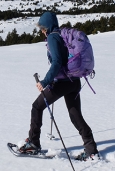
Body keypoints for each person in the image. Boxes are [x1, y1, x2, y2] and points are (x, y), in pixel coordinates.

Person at [19, 11, 99, 161]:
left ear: (47, 26)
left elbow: (57, 62)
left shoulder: (52, 37)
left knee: (37, 106)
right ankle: (91, 149)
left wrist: (45, 81)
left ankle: (33, 143)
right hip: (74, 80)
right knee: (75, 115)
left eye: (42, 27)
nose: (41, 30)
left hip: (63, 83)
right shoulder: (61, 34)